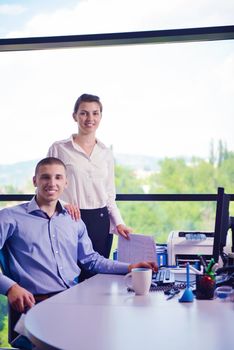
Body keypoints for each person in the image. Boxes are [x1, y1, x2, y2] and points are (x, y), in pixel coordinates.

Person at [0, 157, 157, 346]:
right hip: (33, 307)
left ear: (66, 183)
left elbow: (91, 260)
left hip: (71, 303)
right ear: (35, 181)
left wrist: (130, 267)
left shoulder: (73, 220)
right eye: (45, 177)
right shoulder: (10, 217)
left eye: (58, 177)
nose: (52, 183)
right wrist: (10, 287)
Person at [47, 93, 132, 262]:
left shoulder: (105, 153)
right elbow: (45, 187)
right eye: (84, 113)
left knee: (98, 275)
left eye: (95, 113)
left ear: (100, 116)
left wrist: (119, 223)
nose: (90, 118)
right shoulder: (59, 149)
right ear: (75, 116)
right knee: (69, 274)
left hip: (101, 222)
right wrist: (63, 204)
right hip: (69, 219)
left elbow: (109, 196)